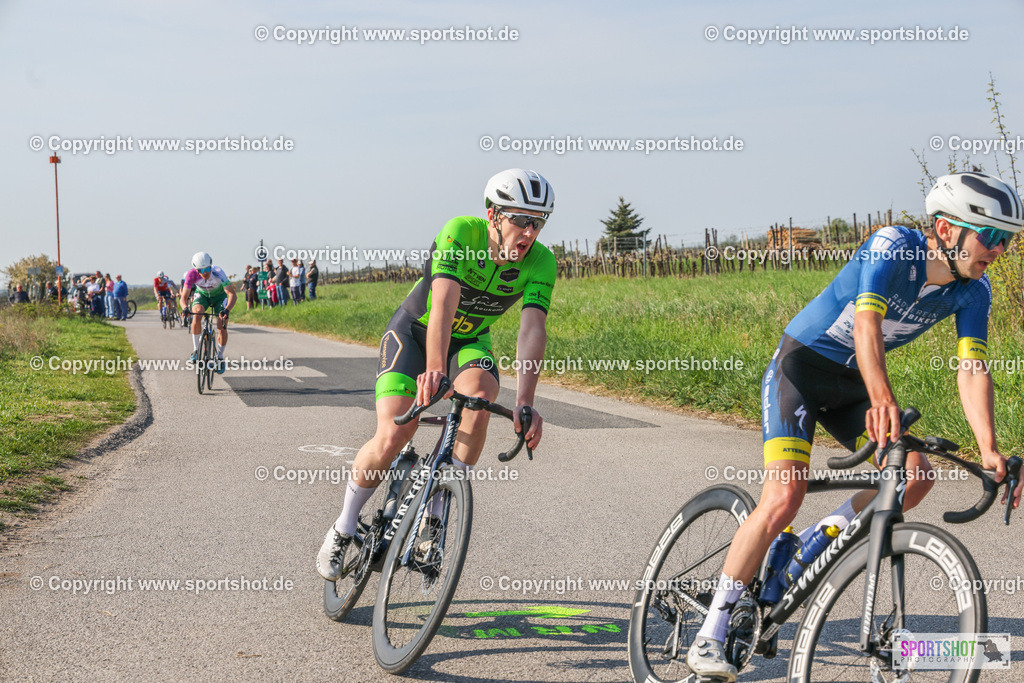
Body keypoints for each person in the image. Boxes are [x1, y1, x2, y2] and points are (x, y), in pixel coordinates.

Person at [686, 171, 1024, 682]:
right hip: (801, 369)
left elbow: (971, 367)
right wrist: (883, 398)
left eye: (1008, 240)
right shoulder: (893, 247)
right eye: (991, 236)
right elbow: (866, 323)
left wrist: (990, 448)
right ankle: (709, 633)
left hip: (853, 384)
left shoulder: (974, 292)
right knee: (783, 495)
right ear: (946, 229)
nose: (999, 251)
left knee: (916, 476)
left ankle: (812, 543)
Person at [316, 168, 557, 580]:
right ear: (493, 215)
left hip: (468, 343)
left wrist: (525, 403)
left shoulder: (541, 262)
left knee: (480, 401)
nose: (529, 232)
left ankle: (438, 515)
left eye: (538, 222)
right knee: (394, 432)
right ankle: (343, 526)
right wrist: (431, 371)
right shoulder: (460, 234)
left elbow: (532, 328)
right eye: (520, 219)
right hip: (416, 333)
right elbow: (443, 304)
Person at [180, 252, 237, 374]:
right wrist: (185, 308)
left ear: (211, 266)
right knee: (197, 315)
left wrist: (226, 310)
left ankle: (220, 357)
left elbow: (232, 294)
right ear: (196, 269)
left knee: (222, 326)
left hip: (219, 297)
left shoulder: (218, 272)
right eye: (202, 270)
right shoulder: (191, 275)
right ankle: (196, 350)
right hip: (202, 296)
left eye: (207, 269)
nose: (205, 272)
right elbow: (183, 298)